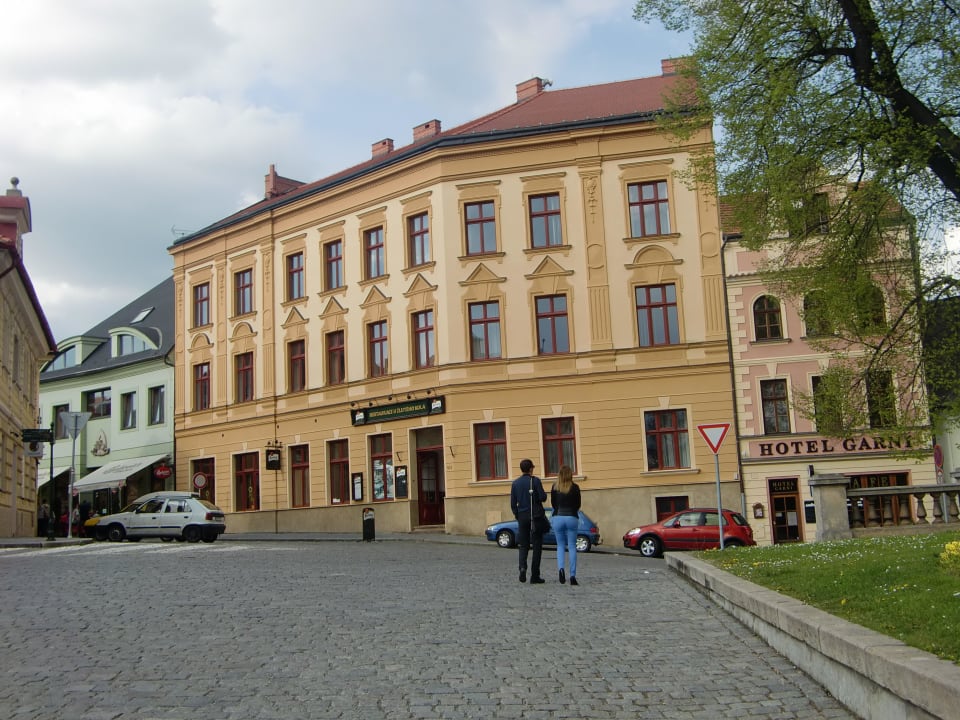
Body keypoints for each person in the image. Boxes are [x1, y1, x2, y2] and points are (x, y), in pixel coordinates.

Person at [510, 458, 547, 584]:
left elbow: (513, 504)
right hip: (535, 517)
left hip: (522, 516)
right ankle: (535, 575)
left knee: (523, 545)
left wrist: (517, 515)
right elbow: (543, 497)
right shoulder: (535, 481)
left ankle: (522, 567)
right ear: (531, 468)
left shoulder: (515, 483)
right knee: (537, 546)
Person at [550, 465, 582, 586]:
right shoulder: (575, 487)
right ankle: (572, 576)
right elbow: (578, 504)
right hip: (572, 517)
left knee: (560, 546)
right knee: (572, 546)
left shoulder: (554, 487)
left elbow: (553, 504)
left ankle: (561, 569)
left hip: (558, 516)